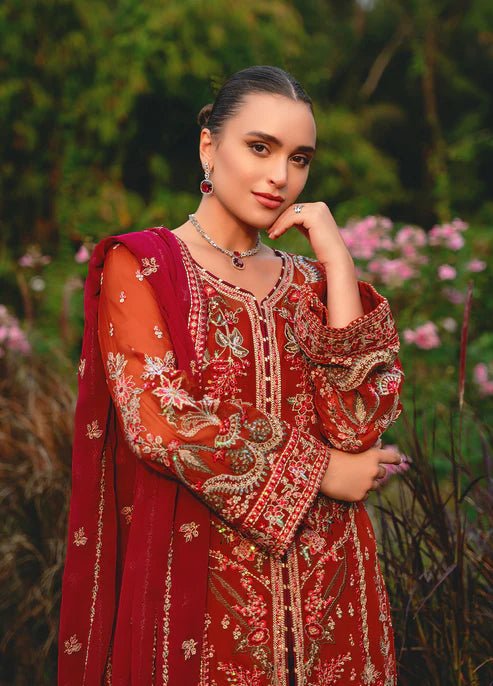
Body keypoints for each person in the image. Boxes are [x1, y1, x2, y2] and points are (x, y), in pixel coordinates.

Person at [58, 65, 405, 686]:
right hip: (204, 597)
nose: (280, 176)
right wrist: (321, 470)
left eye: (300, 158)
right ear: (207, 145)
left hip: (333, 592)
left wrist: (337, 258)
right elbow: (161, 420)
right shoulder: (142, 266)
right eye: (260, 147)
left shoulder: (307, 283)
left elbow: (360, 424)